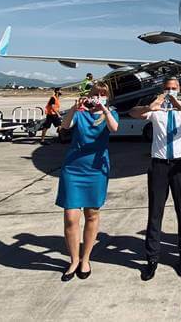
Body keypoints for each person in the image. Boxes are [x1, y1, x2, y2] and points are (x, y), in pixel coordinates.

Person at [130, 77, 181, 280]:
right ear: (162, 90)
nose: (170, 91)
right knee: (155, 212)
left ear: (179, 90)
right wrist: (152, 105)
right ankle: (152, 259)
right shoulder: (156, 111)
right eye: (167, 88)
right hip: (159, 165)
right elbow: (133, 113)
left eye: (174, 88)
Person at [55, 82, 119, 281]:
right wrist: (74, 108)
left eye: (103, 94)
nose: (99, 97)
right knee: (71, 217)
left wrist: (104, 110)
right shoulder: (80, 113)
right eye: (96, 94)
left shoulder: (110, 113)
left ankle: (85, 259)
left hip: (96, 170)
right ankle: (73, 260)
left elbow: (114, 128)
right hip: (73, 169)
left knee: (92, 214)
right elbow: (64, 126)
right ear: (89, 95)